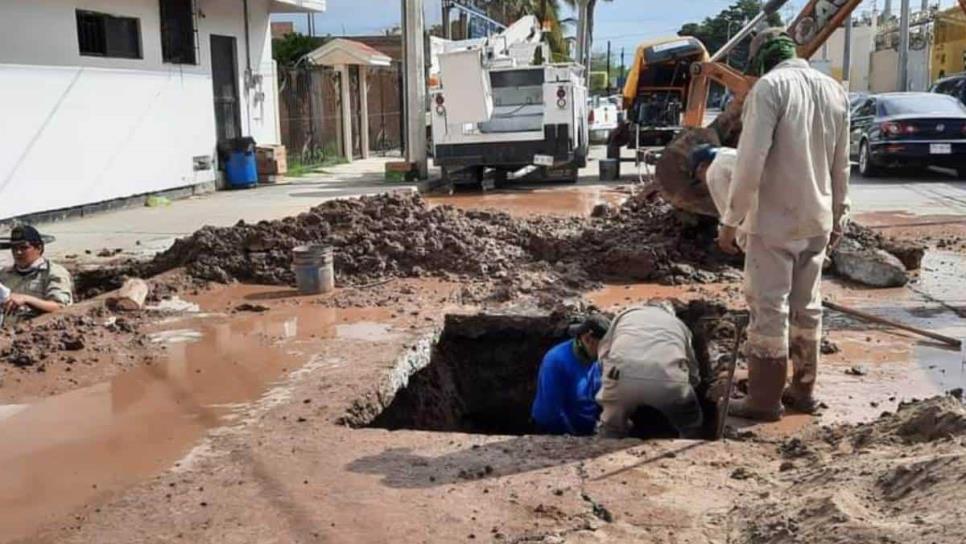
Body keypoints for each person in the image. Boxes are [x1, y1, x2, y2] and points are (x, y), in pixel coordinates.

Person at [717, 28, 851, 421]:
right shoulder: (834, 90)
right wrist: (841, 212)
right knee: (808, 307)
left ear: (761, 59)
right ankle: (803, 391)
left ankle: (763, 400)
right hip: (817, 219)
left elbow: (749, 162)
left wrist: (731, 219)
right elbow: (841, 164)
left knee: (769, 308)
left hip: (774, 222)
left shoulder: (769, 88)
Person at [596, 302, 704, 439]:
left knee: (611, 425)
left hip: (622, 376)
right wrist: (691, 387)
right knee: (690, 420)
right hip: (669, 379)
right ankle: (691, 446)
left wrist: (609, 380)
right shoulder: (679, 325)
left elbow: (604, 352)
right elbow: (691, 366)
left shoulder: (625, 315)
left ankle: (609, 444)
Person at [531, 315, 610, 436]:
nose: (608, 351)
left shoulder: (595, 358)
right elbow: (551, 413)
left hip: (588, 426)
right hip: (555, 431)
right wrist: (575, 438)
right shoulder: (556, 362)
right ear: (588, 339)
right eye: (605, 346)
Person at [0, 225, 74, 327]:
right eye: (14, 248)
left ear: (39, 248)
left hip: (35, 334)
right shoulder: (5, 274)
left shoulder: (53, 273)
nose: (18, 252)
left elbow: (60, 307)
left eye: (24, 247)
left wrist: (26, 299)